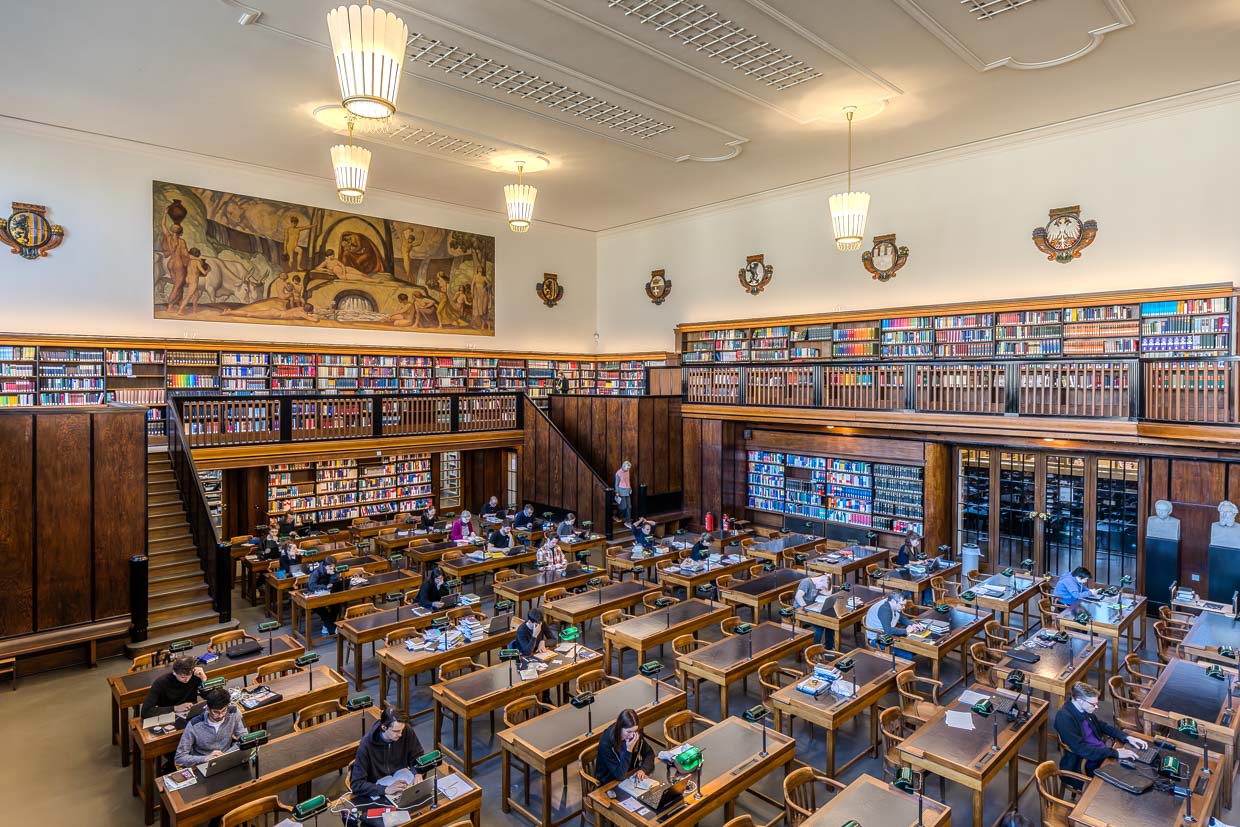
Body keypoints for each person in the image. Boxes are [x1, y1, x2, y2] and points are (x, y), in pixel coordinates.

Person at [1054, 683, 1147, 783]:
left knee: (1136, 768)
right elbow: (1082, 749)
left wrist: (1127, 737)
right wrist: (1115, 753)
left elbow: (1102, 726)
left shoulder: (1083, 710)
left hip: (1101, 754)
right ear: (1080, 701)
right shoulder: (1064, 718)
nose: (1096, 707)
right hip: (1084, 764)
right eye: (1093, 704)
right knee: (1127, 778)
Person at [350, 707, 426, 800]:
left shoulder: (406, 731)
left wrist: (418, 772)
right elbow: (357, 784)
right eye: (396, 731)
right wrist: (385, 789)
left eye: (402, 730)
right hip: (378, 789)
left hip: (402, 778)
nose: (401, 734)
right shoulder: (366, 746)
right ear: (384, 727)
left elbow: (418, 755)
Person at [174, 687, 247, 768]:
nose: (221, 715)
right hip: (203, 764)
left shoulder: (234, 712)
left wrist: (225, 755)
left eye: (223, 710)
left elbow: (244, 738)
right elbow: (179, 758)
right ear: (207, 709)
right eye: (216, 712)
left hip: (227, 759)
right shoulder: (194, 725)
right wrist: (205, 758)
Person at [594, 708, 655, 786]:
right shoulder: (606, 742)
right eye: (628, 732)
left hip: (630, 776)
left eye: (635, 731)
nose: (632, 735)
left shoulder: (634, 735)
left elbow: (649, 754)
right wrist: (629, 750)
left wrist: (643, 770)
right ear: (619, 728)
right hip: (609, 781)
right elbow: (620, 775)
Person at [141, 655, 208, 719]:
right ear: (174, 672)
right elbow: (146, 712)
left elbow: (211, 698)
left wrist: (204, 680)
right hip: (169, 715)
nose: (187, 680)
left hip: (191, 713)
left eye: (189, 676)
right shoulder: (161, 683)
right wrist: (175, 708)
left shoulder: (195, 676)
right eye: (182, 677)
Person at [863, 590, 924, 658]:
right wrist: (906, 630)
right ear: (893, 601)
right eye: (901, 604)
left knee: (913, 647)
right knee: (907, 654)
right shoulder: (885, 610)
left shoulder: (892, 604)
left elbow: (900, 617)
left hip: (885, 634)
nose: (903, 607)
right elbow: (888, 631)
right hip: (876, 638)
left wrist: (912, 624)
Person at [794, 574, 835, 647]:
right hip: (800, 610)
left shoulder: (820, 582)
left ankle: (829, 647)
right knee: (820, 626)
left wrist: (829, 580)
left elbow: (828, 593)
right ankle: (815, 648)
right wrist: (805, 607)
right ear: (820, 580)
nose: (821, 589)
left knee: (830, 623)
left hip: (812, 608)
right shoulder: (806, 582)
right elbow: (798, 596)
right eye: (822, 587)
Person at [308, 555, 342, 635]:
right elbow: (311, 586)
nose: (332, 568)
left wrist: (333, 575)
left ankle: (326, 626)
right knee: (322, 610)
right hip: (315, 595)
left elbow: (334, 583)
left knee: (336, 606)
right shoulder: (316, 572)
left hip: (328, 595)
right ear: (324, 565)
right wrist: (324, 587)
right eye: (330, 567)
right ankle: (332, 629)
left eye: (333, 567)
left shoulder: (332, 570)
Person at [614, 460, 633, 524]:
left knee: (629, 506)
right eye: (627, 468)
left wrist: (630, 488)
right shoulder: (618, 473)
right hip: (621, 491)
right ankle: (617, 516)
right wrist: (617, 492)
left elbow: (628, 480)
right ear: (623, 466)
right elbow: (616, 484)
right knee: (623, 506)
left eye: (629, 468)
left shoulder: (628, 471)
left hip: (627, 490)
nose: (628, 469)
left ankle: (628, 521)